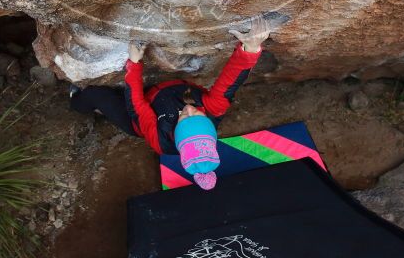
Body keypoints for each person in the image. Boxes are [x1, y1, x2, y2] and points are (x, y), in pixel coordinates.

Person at [70, 15, 273, 190]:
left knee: (96, 96)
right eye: (198, 114)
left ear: (175, 133)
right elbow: (230, 82)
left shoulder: (159, 139)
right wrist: (251, 49)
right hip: (161, 96)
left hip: (139, 118)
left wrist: (134, 63)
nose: (189, 108)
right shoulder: (214, 110)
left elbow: (136, 105)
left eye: (184, 117)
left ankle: (76, 103)